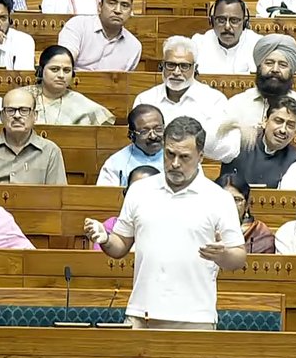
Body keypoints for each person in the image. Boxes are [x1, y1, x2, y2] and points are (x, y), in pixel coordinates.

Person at [84, 116, 246, 330]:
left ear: (200, 157)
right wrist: (104, 238)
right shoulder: (140, 191)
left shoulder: (219, 198)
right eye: (170, 154)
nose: (175, 163)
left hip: (195, 317)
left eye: (184, 157)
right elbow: (120, 245)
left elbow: (238, 257)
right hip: (141, 313)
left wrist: (222, 255)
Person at [132, 36, 227, 143]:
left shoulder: (214, 100)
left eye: (184, 66)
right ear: (162, 66)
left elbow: (225, 147)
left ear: (195, 68)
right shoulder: (145, 100)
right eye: (171, 65)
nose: (176, 72)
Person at [0, 88, 67, 185]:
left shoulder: (51, 152)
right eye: (10, 110)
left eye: (24, 110)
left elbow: (58, 195)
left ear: (35, 115)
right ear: (1, 116)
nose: (17, 116)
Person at [224, 34, 296, 128]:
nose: (275, 69)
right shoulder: (237, 104)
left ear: (291, 71)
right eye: (269, 63)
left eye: (282, 65)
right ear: (259, 66)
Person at [57, 0, 142, 71]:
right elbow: (63, 64)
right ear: (100, 7)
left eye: (124, 5)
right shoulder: (77, 26)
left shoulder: (134, 46)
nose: (118, 10)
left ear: (131, 11)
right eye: (112, 3)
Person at [219, 96, 296, 188]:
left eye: (290, 125)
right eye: (278, 121)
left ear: (295, 132)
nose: (283, 130)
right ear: (265, 121)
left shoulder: (295, 159)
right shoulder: (241, 141)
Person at [24, 45, 114, 126]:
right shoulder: (22, 96)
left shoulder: (83, 104)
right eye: (54, 69)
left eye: (67, 70)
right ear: (41, 70)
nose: (61, 75)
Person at [93, 165, 162, 251]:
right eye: (135, 193)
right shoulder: (109, 227)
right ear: (126, 194)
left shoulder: (166, 228)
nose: (141, 200)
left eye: (148, 194)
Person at [190, 0, 262, 74]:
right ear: (212, 21)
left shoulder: (258, 45)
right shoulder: (198, 44)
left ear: (244, 23)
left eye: (234, 20)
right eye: (221, 20)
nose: (227, 26)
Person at [96, 105, 164, 187]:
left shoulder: (178, 156)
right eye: (144, 132)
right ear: (131, 135)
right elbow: (106, 197)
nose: (153, 136)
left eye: (158, 129)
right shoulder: (115, 163)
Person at [216, 173, 275, 254]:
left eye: (236, 199)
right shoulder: (203, 229)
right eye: (223, 199)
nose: (230, 205)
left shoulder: (259, 233)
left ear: (247, 205)